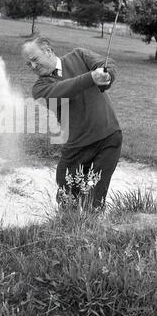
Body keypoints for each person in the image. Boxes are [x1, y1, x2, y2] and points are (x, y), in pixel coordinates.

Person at [21, 36, 122, 208]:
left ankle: (91, 229)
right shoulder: (39, 89)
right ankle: (69, 229)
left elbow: (108, 65)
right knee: (66, 195)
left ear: (48, 51)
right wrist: (91, 77)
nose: (33, 66)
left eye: (35, 60)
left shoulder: (80, 55)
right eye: (28, 64)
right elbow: (64, 90)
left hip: (108, 137)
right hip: (77, 146)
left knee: (94, 199)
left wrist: (107, 76)